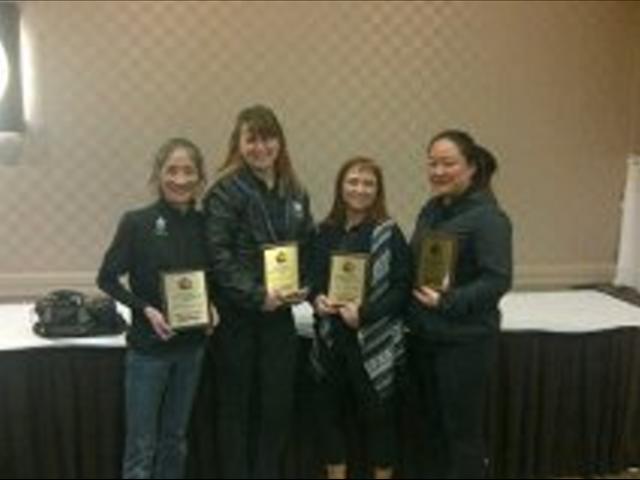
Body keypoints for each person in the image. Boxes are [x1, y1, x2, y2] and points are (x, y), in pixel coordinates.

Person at [203, 105, 314, 479]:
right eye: (251, 139)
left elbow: (308, 247)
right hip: (238, 318)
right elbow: (218, 257)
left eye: (268, 138)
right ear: (238, 144)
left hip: (279, 319)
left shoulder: (295, 191)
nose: (260, 147)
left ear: (280, 142)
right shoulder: (224, 191)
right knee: (236, 409)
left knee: (276, 407)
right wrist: (256, 296)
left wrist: (305, 285)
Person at [96, 138, 210, 479]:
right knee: (141, 445)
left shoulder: (206, 224)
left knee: (175, 439)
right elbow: (107, 278)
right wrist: (144, 309)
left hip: (191, 349)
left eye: (189, 171)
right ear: (158, 175)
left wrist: (212, 305)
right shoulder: (136, 222)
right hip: (148, 352)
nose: (180, 179)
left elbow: (211, 277)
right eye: (172, 170)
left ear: (200, 178)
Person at [407, 130, 512, 479]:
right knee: (430, 430)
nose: (438, 171)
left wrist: (448, 301)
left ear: (470, 167)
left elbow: (497, 280)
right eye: (432, 163)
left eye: (448, 163)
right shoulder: (431, 210)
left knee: (461, 434)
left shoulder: (489, 218)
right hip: (425, 338)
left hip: (465, 344)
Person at [309, 157, 411, 479]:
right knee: (328, 418)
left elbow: (401, 289)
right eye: (353, 181)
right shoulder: (324, 231)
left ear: (378, 190)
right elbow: (313, 279)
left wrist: (364, 315)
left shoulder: (388, 233)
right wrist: (317, 299)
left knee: (379, 419)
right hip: (331, 340)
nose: (360, 189)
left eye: (368, 183)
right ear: (340, 186)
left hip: (372, 342)